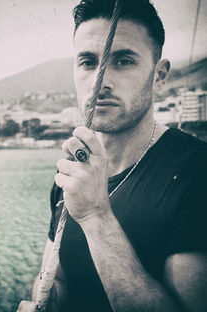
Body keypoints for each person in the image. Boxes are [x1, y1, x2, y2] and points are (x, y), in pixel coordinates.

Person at [17, 0, 207, 311]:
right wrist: (46, 301)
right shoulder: (73, 169)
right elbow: (61, 280)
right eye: (88, 62)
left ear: (159, 76)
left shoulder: (197, 172)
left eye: (123, 61)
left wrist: (96, 216)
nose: (99, 81)